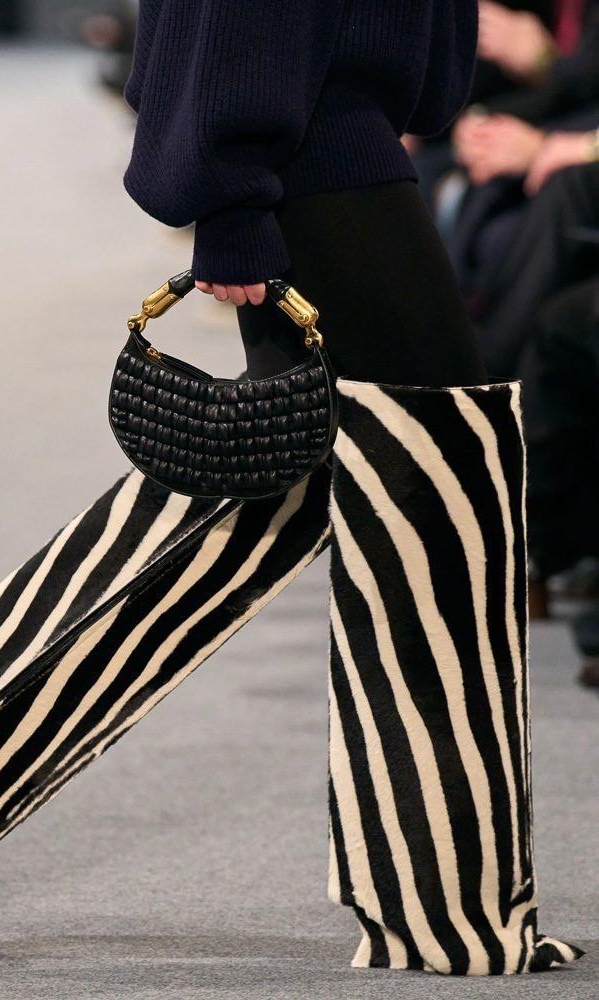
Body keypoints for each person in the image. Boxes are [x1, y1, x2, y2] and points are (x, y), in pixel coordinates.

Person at [119, 0, 583, 975]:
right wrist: (231, 200)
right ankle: (450, 913)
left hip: (325, 147)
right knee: (448, 512)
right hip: (316, 161)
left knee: (270, 505)